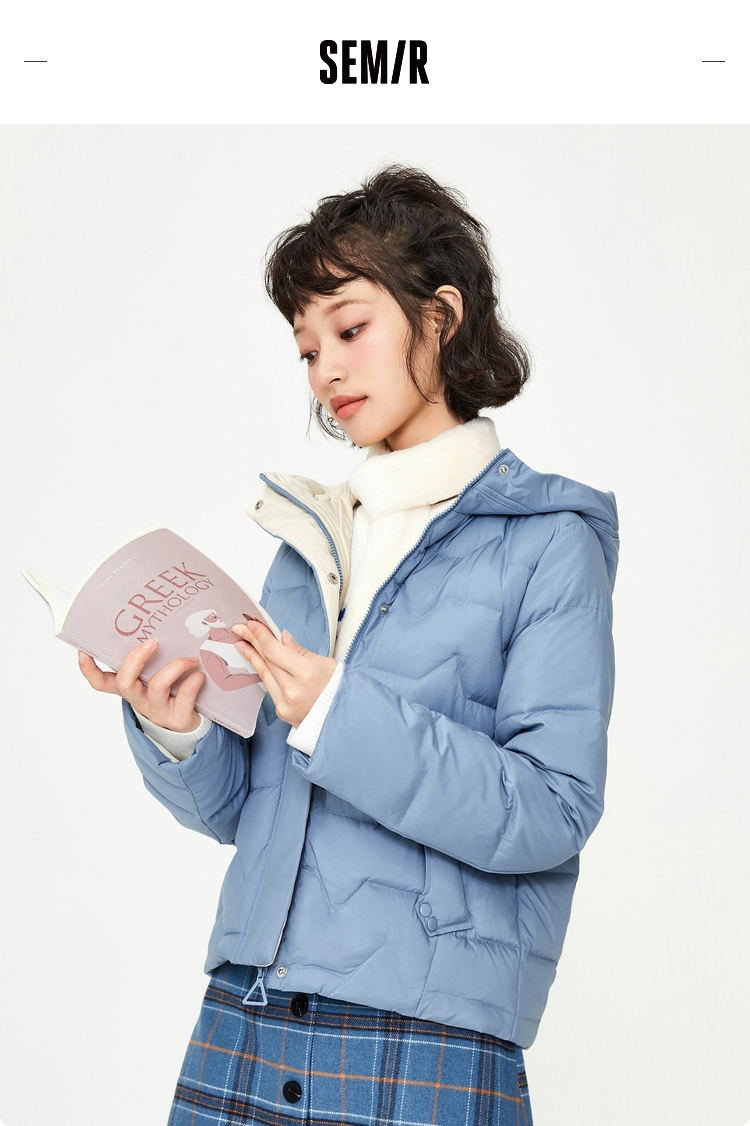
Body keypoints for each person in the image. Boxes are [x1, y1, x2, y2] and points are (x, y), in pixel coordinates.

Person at [79, 166, 618, 1125]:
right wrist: (178, 732)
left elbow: (552, 808)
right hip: (246, 1010)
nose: (325, 370)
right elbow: (249, 811)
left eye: (350, 328)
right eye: (306, 347)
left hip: (424, 1032)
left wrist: (335, 712)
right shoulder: (313, 541)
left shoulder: (547, 543)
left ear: (441, 316)